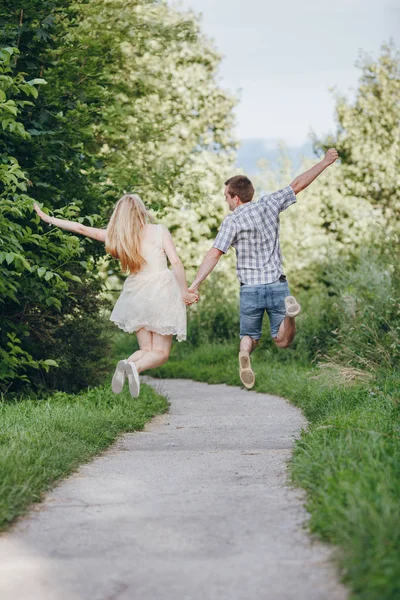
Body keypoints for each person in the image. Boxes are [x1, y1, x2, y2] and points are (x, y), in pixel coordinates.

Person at [188, 148, 339, 389]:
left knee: (249, 336)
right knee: (282, 341)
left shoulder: (232, 221)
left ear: (236, 197)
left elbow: (214, 254)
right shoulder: (269, 204)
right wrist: (324, 162)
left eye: (226, 197)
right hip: (277, 284)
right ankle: (289, 315)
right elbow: (298, 184)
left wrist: (194, 285)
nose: (226, 201)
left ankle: (244, 354)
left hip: (250, 290)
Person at [34, 194, 198, 397]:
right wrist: (185, 292)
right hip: (161, 292)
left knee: (146, 349)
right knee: (161, 354)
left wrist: (49, 219)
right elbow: (176, 262)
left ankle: (127, 364)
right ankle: (135, 369)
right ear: (141, 211)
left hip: (136, 294)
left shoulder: (117, 237)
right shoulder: (158, 231)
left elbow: (81, 228)